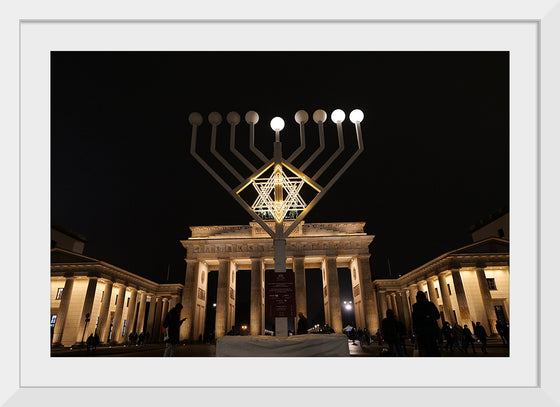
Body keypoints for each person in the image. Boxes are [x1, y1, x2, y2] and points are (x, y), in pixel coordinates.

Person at [411, 291, 441, 357]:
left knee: (424, 350)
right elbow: (437, 315)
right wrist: (429, 317)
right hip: (431, 330)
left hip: (421, 331)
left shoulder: (416, 307)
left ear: (417, 298)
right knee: (433, 348)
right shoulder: (430, 304)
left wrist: (415, 331)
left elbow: (414, 320)